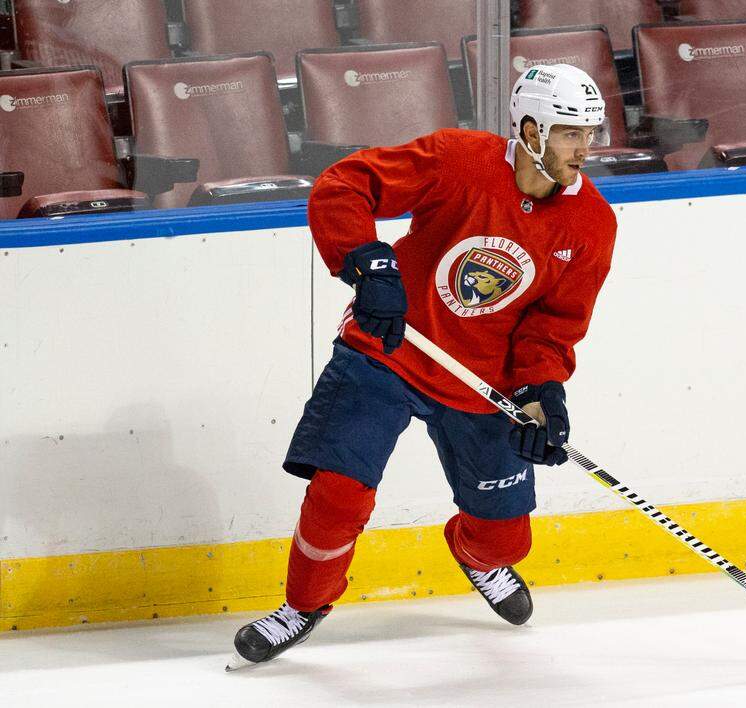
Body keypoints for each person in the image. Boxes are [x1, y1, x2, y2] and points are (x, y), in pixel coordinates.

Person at [229, 64, 618, 667]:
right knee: (338, 493)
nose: (586, 149)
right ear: (533, 130)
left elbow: (552, 325)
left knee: (505, 535)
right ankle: (304, 604)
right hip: (389, 349)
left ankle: (475, 555)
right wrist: (367, 263)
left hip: (482, 384)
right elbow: (344, 185)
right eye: (572, 133)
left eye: (592, 132)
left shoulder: (592, 222)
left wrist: (543, 390)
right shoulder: (458, 160)